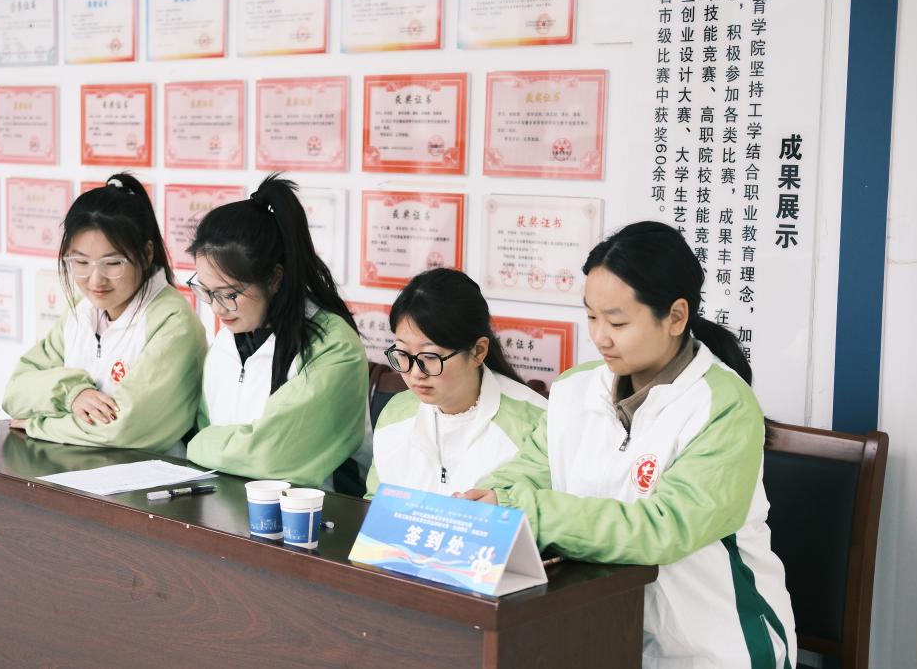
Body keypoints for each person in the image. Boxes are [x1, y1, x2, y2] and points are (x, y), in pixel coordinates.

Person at [459, 221, 796, 668]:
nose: (600, 336)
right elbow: (524, 473)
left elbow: (664, 528)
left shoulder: (724, 406)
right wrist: (493, 499)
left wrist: (529, 512)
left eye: (617, 321)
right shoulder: (575, 390)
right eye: (592, 317)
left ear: (676, 317)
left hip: (711, 646)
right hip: (601, 634)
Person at [185, 174, 368, 491]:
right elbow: (208, 425)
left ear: (274, 279)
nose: (216, 308)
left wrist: (198, 444)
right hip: (229, 501)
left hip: (314, 511)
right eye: (206, 291)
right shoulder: (230, 337)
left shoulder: (332, 345)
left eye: (229, 294)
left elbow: (270, 456)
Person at [3, 174, 207, 455]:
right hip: (73, 468)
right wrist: (72, 393)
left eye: (112, 263)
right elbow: (15, 393)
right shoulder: (80, 312)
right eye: (81, 262)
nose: (95, 280)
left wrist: (39, 424)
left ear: (147, 254)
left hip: (149, 476)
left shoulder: (173, 323)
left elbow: (124, 428)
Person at [365, 268, 547, 499]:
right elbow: (374, 505)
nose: (415, 373)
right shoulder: (395, 414)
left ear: (478, 351)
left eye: (430, 357)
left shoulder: (535, 425)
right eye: (402, 353)